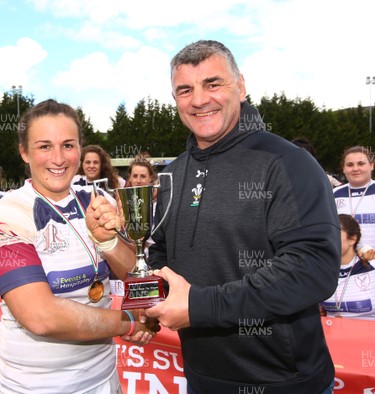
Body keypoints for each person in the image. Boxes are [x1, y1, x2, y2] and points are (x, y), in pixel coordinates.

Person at [136, 40, 340, 394]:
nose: (199, 100)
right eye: (185, 89)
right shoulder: (173, 173)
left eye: (213, 84)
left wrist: (201, 306)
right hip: (202, 379)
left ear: (241, 87)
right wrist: (147, 301)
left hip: (284, 383)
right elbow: (160, 256)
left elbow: (311, 269)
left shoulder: (289, 163)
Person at [0, 99, 159, 393]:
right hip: (30, 386)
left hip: (102, 379)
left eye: (68, 145)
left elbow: (138, 277)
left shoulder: (100, 200)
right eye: (44, 146)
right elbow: (40, 316)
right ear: (24, 152)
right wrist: (128, 322)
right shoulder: (5, 215)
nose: (59, 158)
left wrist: (109, 242)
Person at [321, 214, 375, 320]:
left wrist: (365, 248)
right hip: (333, 334)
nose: (329, 240)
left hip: (373, 334)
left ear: (352, 239)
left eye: (335, 234)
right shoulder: (320, 267)